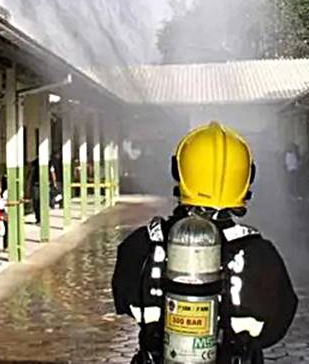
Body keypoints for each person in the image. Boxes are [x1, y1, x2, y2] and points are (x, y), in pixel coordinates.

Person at [112, 122, 297, 364]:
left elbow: (123, 297)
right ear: (246, 179)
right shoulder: (260, 254)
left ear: (179, 173)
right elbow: (278, 321)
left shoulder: (142, 242)